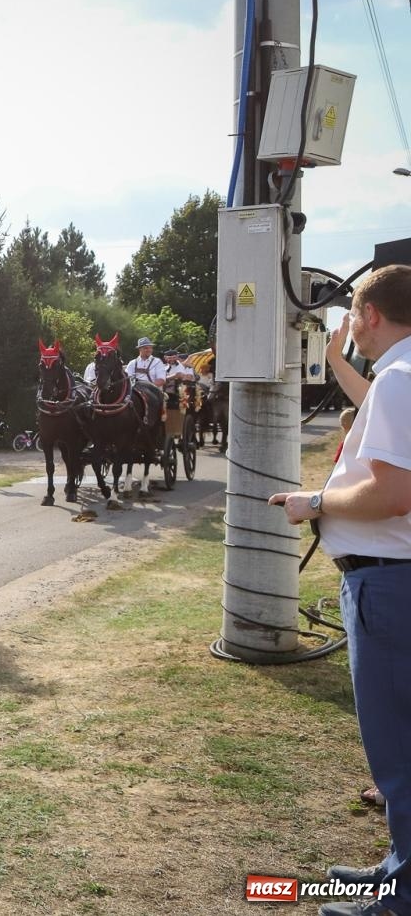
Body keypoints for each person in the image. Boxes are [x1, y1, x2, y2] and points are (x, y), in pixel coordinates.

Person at [269, 265, 411, 916]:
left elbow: (392, 493)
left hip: (388, 586)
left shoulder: (400, 381)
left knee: (397, 747)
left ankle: (401, 894)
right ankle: (395, 868)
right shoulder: (398, 378)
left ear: (374, 315)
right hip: (389, 581)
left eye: (353, 314)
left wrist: (315, 501)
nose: (351, 325)